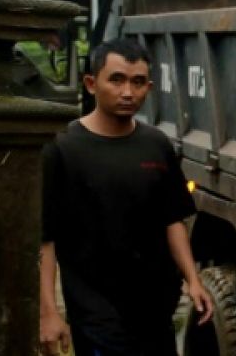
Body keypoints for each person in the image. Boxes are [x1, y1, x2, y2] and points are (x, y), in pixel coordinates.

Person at [39, 39, 214, 356]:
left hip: (156, 306)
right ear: (92, 84)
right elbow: (46, 240)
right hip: (96, 308)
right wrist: (48, 312)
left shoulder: (156, 144)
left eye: (137, 82)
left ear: (149, 87)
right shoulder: (62, 148)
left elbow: (172, 220)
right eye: (116, 80)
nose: (127, 93)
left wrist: (193, 279)